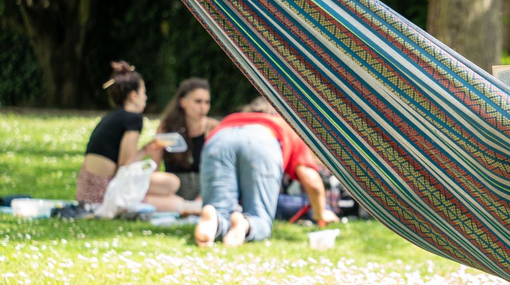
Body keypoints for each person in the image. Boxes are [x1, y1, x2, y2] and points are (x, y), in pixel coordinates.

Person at [194, 98, 338, 247]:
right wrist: (321, 213)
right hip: (262, 141)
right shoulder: (285, 125)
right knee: (260, 217)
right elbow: (312, 181)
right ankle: (246, 224)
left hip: (219, 139)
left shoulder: (232, 118)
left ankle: (215, 219)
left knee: (220, 208)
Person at [76, 61, 199, 213]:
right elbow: (124, 167)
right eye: (144, 93)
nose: (146, 98)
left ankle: (186, 206)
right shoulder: (133, 119)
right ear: (134, 96)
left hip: (86, 191)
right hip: (106, 193)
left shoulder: (112, 117)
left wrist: (147, 149)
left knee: (171, 192)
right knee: (172, 184)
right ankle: (189, 207)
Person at [155, 78, 219, 201]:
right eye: (198, 101)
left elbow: (220, 169)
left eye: (207, 102)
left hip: (204, 190)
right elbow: (155, 167)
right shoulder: (166, 127)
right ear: (183, 102)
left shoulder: (213, 128)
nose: (203, 107)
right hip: (173, 190)